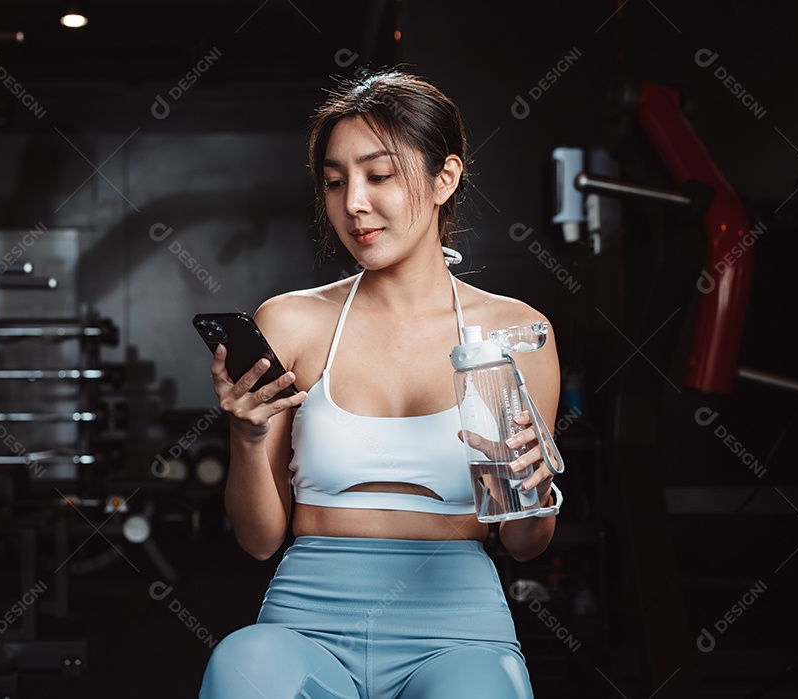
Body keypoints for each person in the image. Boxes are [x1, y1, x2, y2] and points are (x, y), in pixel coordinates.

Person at [199, 70, 561, 699]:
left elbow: (525, 544)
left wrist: (534, 489)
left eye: (379, 175)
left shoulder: (512, 332)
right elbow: (259, 542)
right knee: (242, 665)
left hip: (459, 628)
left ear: (444, 178)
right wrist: (247, 438)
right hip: (307, 621)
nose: (354, 203)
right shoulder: (292, 323)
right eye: (335, 182)